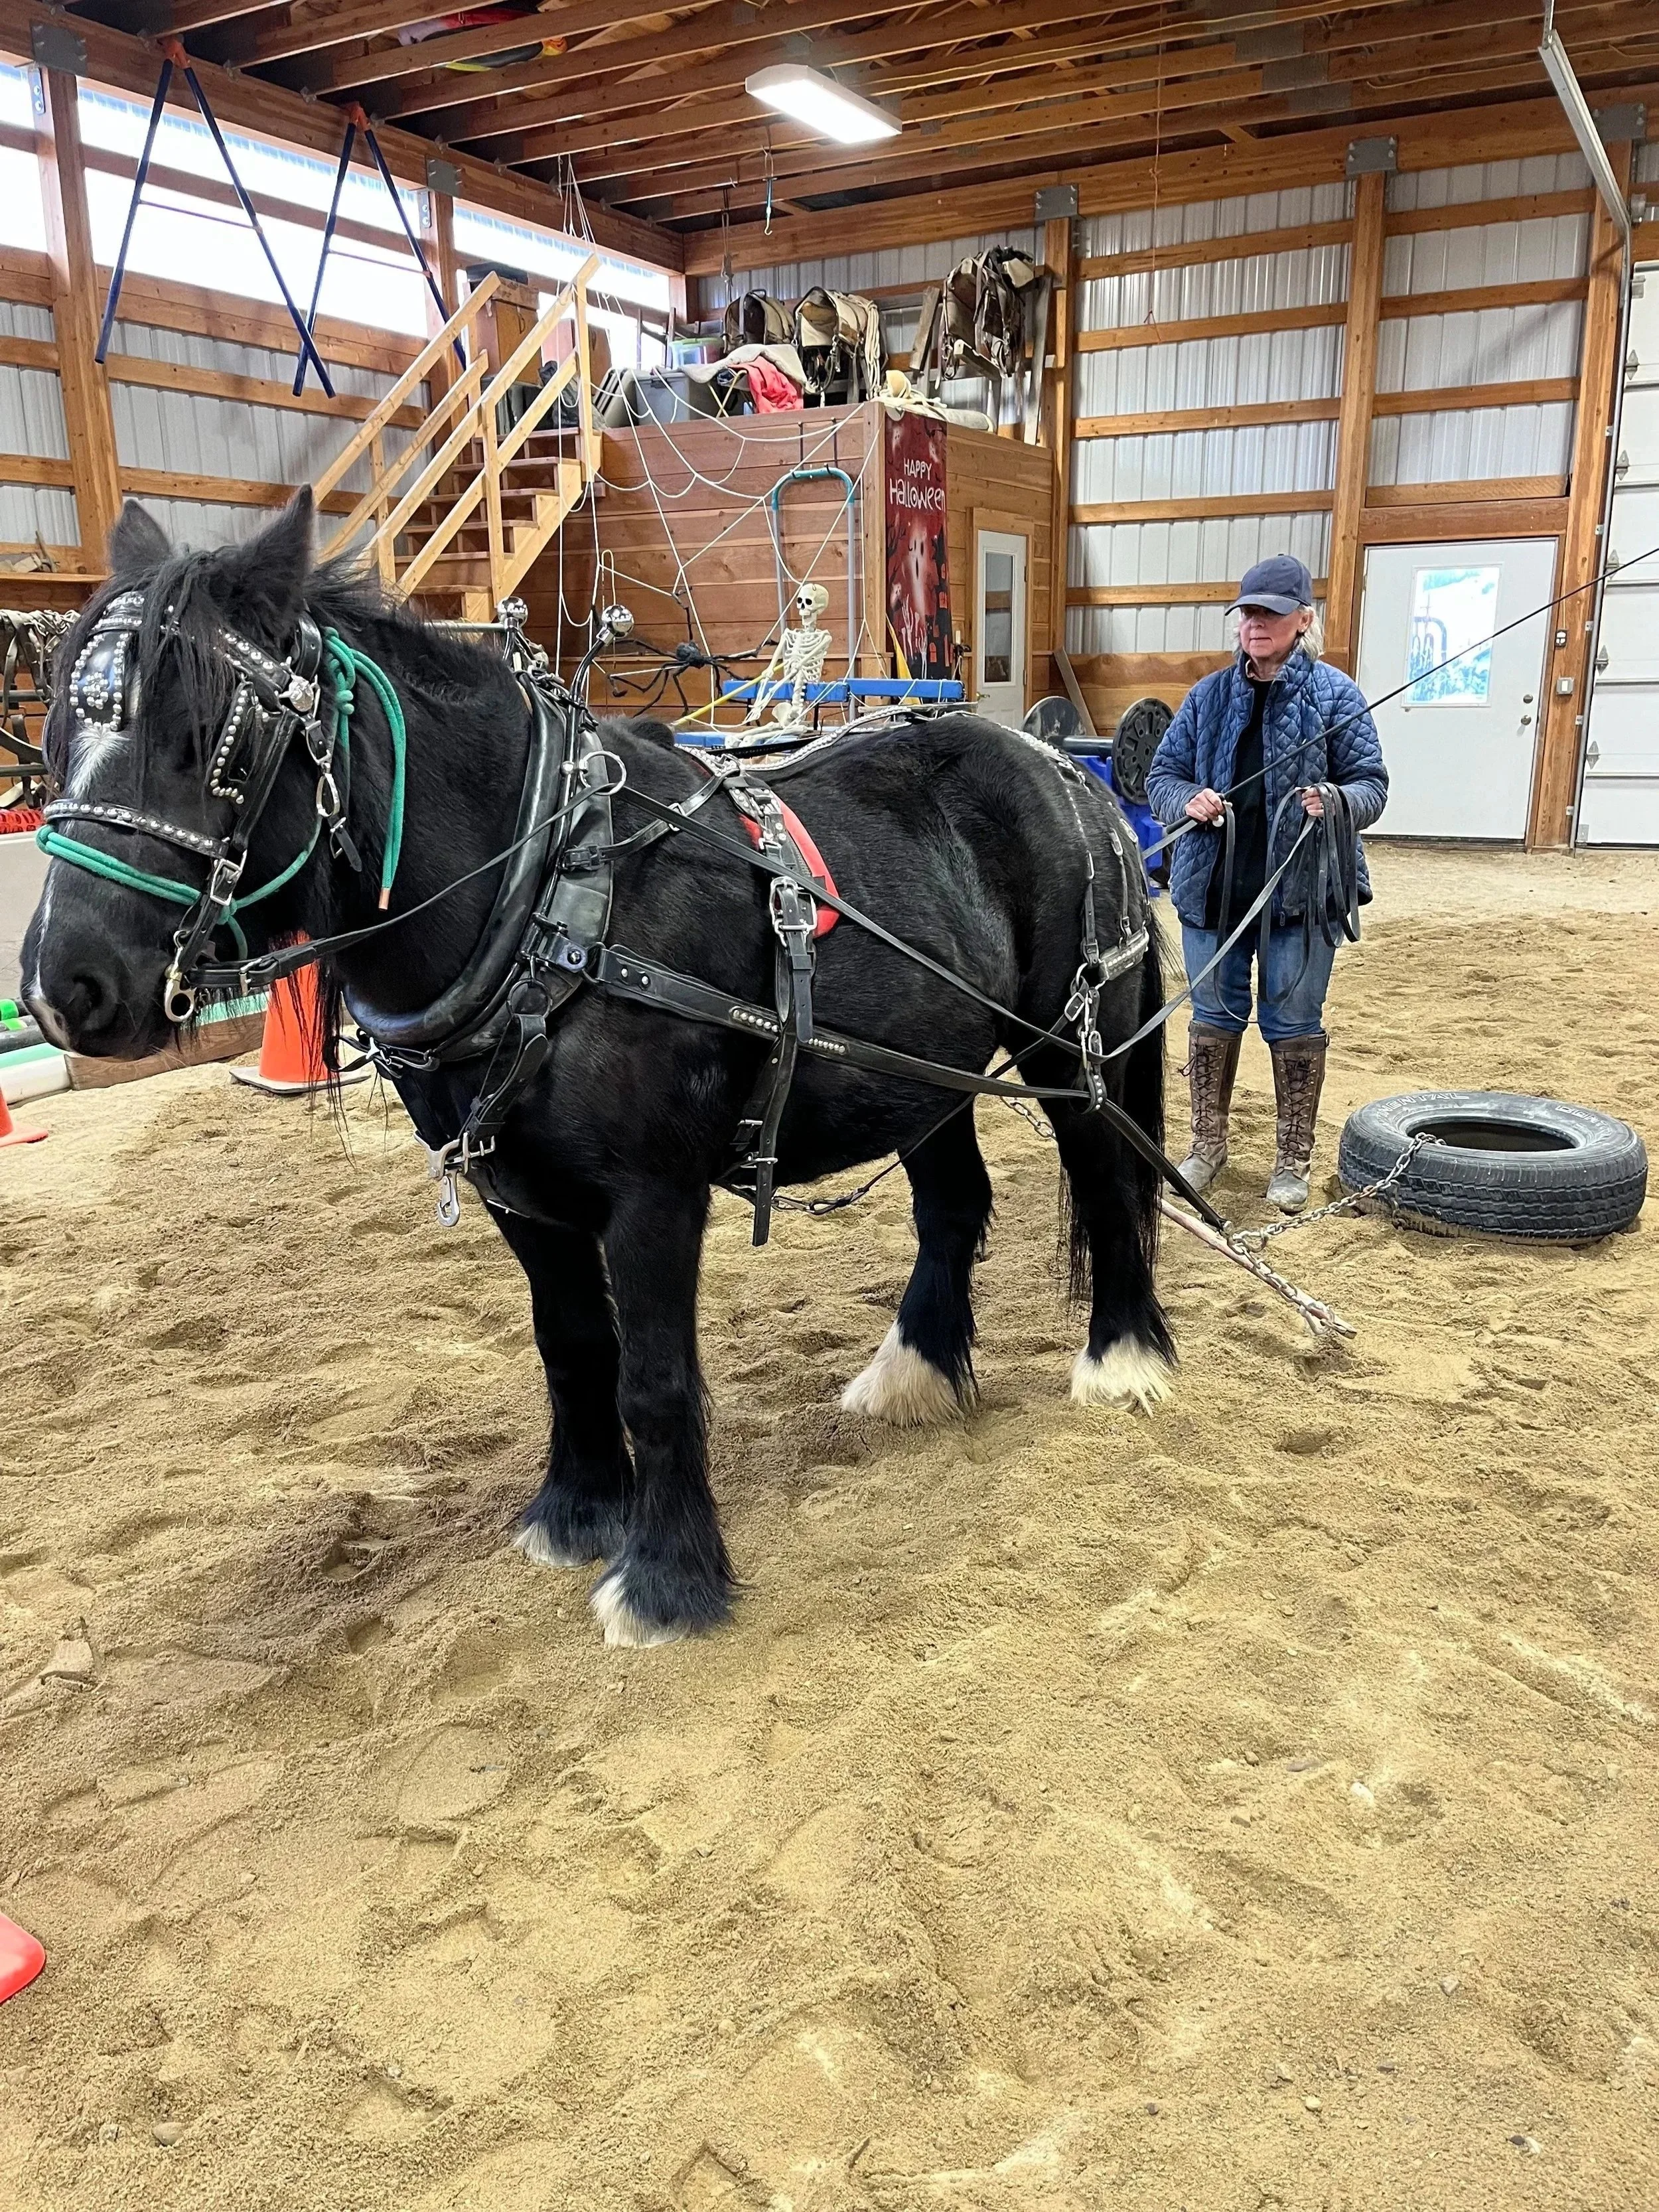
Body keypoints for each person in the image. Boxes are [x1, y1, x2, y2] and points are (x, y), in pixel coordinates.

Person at [1146, 554, 1388, 1211]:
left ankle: (1290, 1160)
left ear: (1301, 620)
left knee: (1293, 1024)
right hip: (1212, 891)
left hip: (1302, 896)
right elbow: (1160, 776)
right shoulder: (1207, 696)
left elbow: (1373, 786)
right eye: (1246, 613)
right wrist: (1187, 800)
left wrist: (1335, 799)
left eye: (1269, 614)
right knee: (1212, 1020)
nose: (1254, 624)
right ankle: (1206, 1148)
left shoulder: (1336, 695)